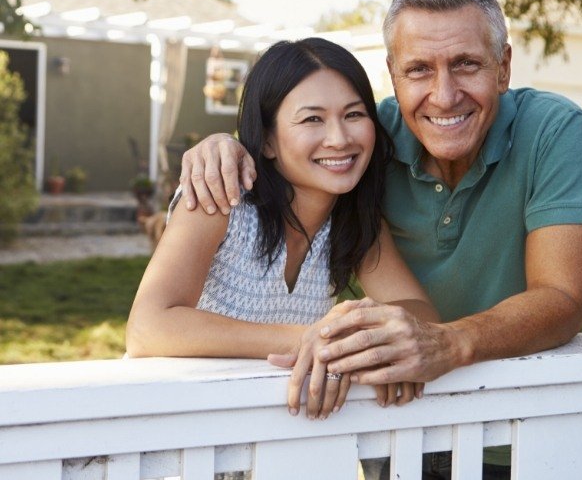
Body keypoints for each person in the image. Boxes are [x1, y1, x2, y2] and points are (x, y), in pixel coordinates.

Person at [178, 0, 582, 476]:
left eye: (467, 64)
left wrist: (447, 343)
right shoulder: (366, 139)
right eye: (420, 69)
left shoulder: (554, 130)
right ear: (393, 74)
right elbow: (294, 136)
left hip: (521, 431)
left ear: (504, 67)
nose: (445, 95)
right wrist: (224, 145)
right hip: (400, 421)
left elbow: (562, 298)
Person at [126, 37, 438, 421]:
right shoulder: (222, 198)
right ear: (268, 140)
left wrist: (354, 331)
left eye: (354, 114)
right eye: (312, 119)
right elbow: (148, 327)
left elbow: (423, 315)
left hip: (277, 435)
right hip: (179, 424)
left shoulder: (354, 221)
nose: (339, 139)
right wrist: (317, 339)